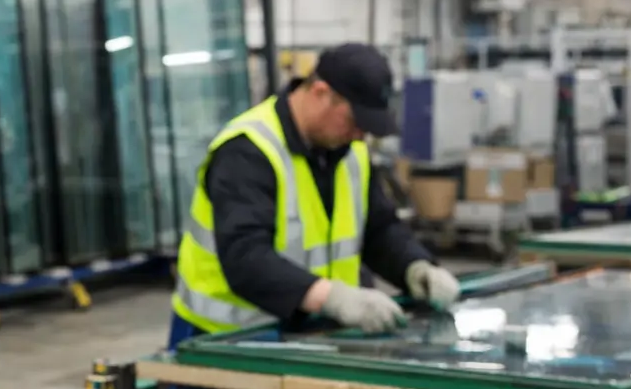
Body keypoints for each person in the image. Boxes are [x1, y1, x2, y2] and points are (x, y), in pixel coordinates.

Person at [169, 43, 461, 350]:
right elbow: (247, 259)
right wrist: (332, 297)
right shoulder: (248, 151)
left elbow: (379, 229)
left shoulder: (351, 153)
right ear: (321, 93)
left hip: (311, 336)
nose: (360, 135)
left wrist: (415, 267)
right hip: (222, 342)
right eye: (354, 121)